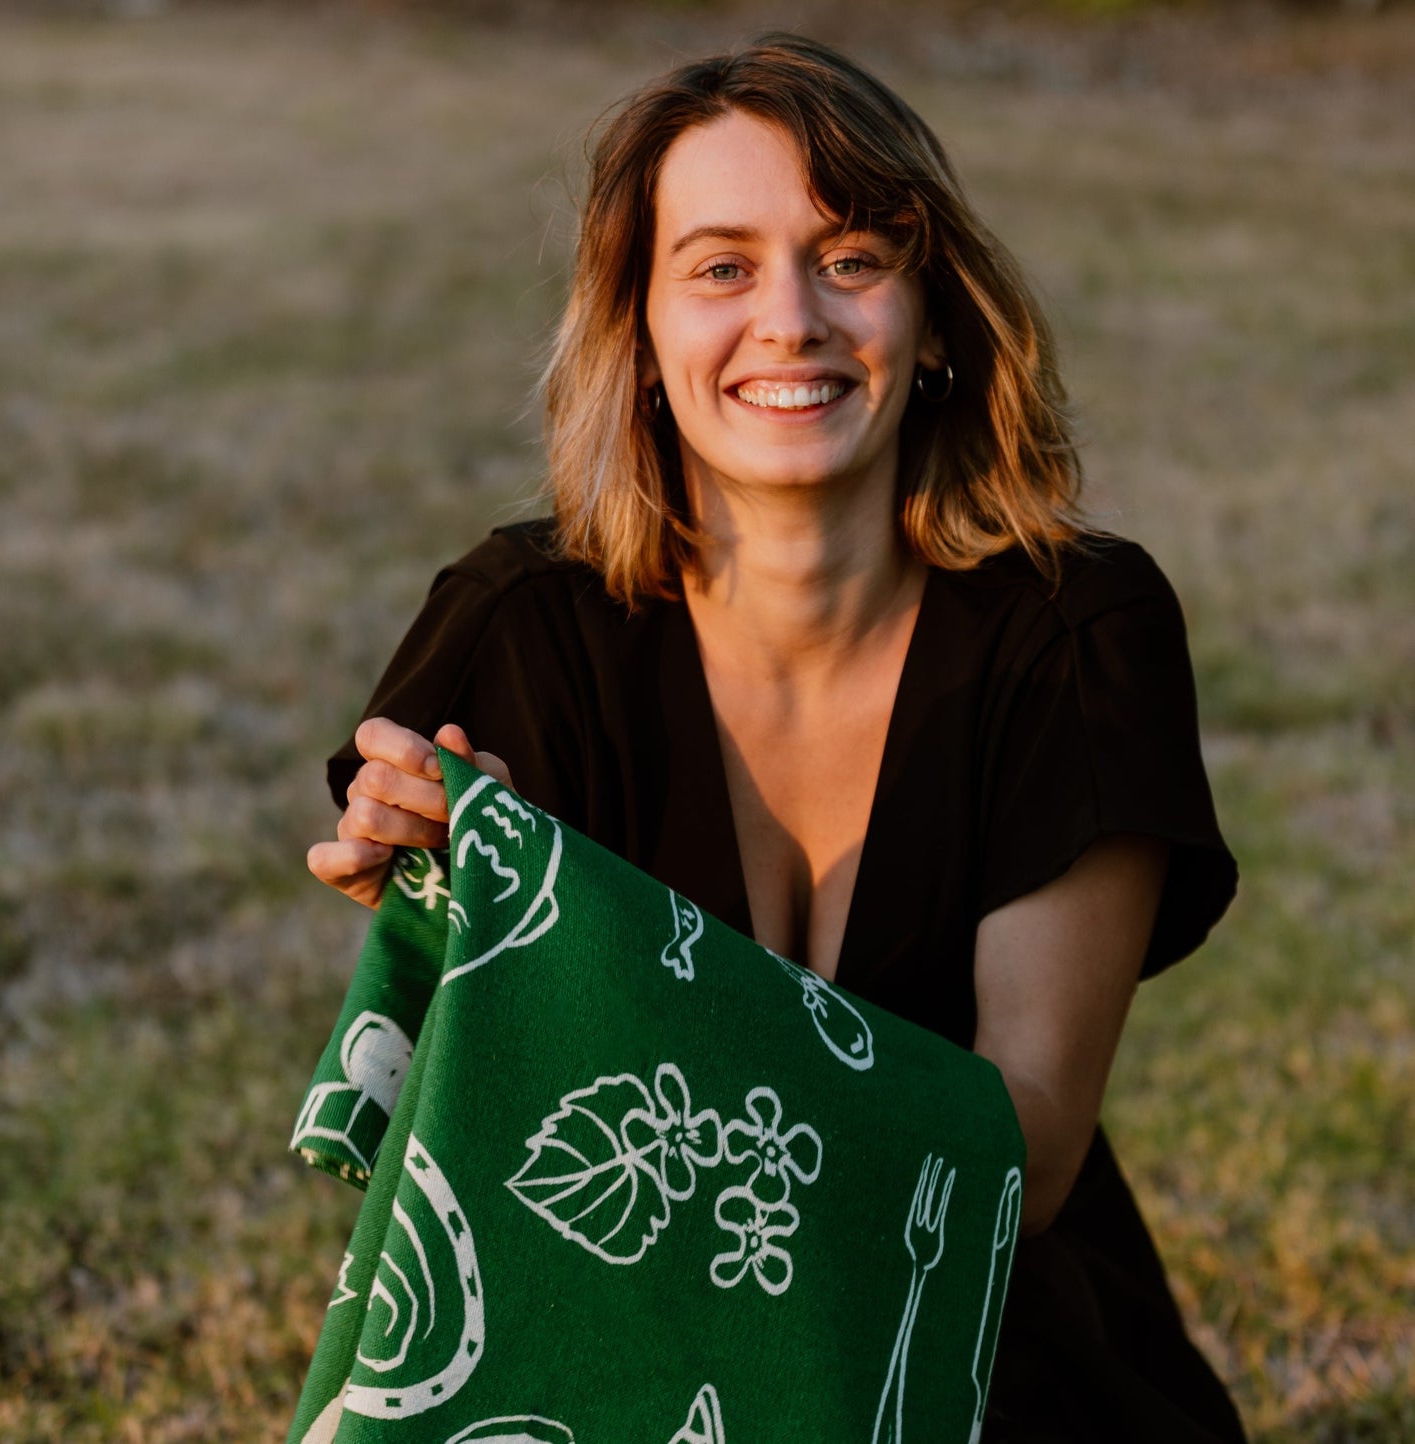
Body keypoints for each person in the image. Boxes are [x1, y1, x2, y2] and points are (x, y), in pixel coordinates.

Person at [305, 34, 1245, 1444]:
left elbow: (1026, 1152)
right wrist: (480, 904)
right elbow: (471, 1132)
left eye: (851, 257)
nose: (790, 318)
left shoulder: (1077, 630)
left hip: (976, 1352)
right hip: (625, 1352)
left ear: (934, 315)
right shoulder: (521, 629)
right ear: (638, 328)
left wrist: (590, 939)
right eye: (720, 266)